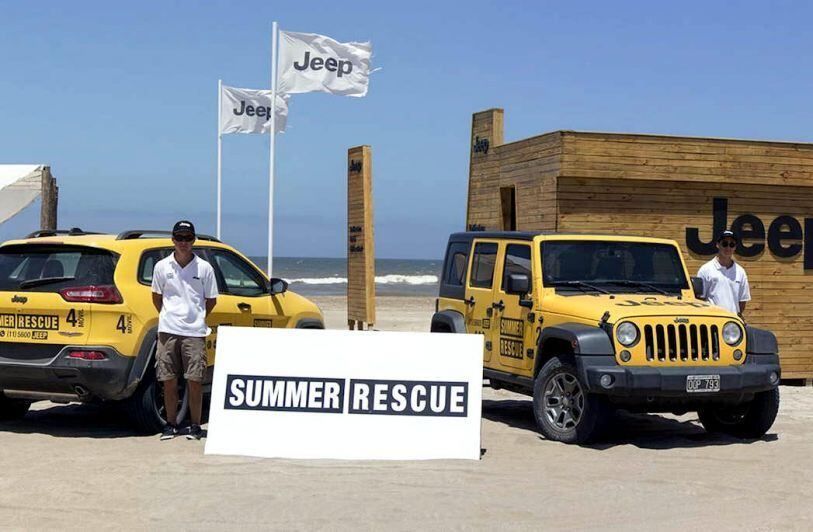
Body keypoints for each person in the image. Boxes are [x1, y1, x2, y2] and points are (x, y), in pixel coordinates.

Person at [151, 221, 218, 440]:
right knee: (168, 379)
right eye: (179, 238)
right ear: (172, 240)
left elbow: (211, 300)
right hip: (168, 330)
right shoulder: (162, 266)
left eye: (187, 238)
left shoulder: (204, 268)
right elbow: (156, 296)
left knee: (195, 379)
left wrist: (196, 317)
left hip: (195, 332)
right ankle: (171, 424)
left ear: (193, 240)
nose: (183, 243)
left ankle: (195, 426)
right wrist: (170, 316)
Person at [696, 229, 751, 317]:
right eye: (725, 244)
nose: (728, 248)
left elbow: (742, 302)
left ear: (735, 247)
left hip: (731, 325)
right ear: (718, 245)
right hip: (712, 322)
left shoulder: (740, 272)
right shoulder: (705, 270)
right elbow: (699, 300)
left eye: (731, 244)